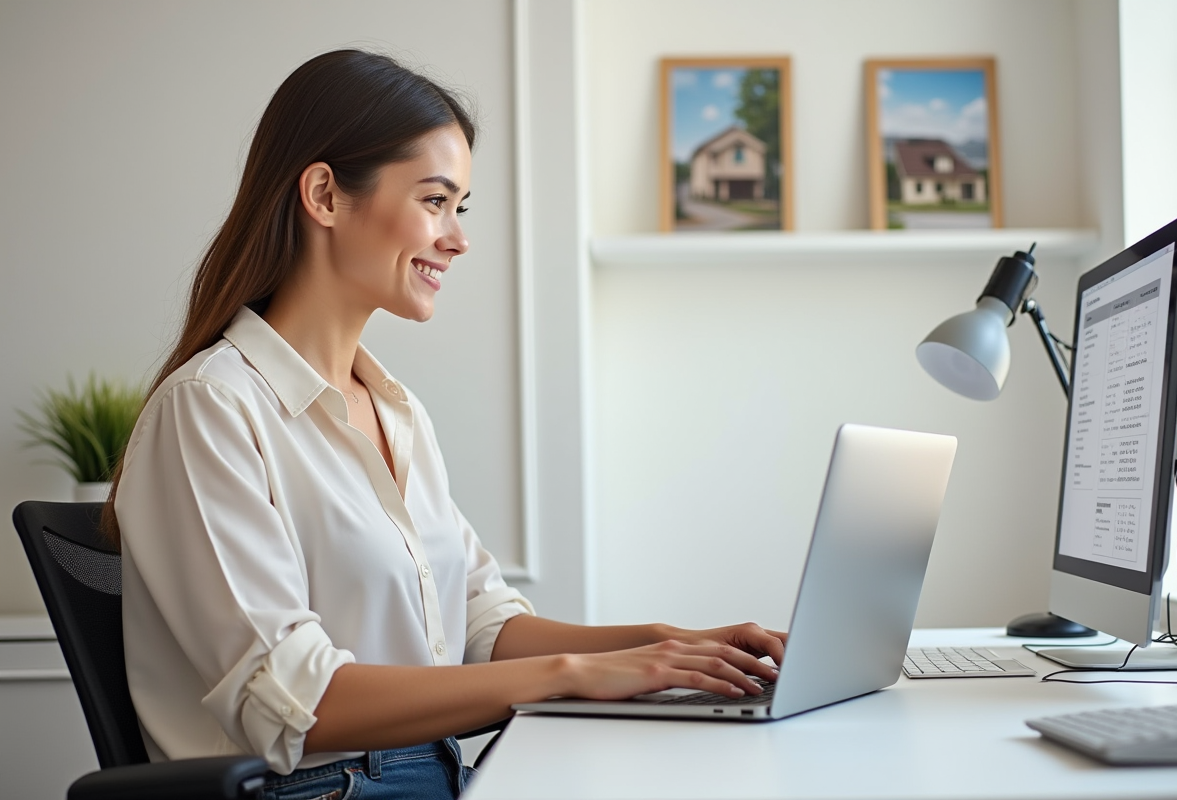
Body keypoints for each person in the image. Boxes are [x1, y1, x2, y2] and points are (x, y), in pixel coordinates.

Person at [107, 49, 786, 800]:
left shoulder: (395, 410)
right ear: (325, 195)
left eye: (460, 208)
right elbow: (299, 700)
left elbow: (479, 625)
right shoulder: (210, 407)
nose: (457, 238)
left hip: (430, 776)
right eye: (435, 200)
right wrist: (575, 674)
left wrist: (669, 646)